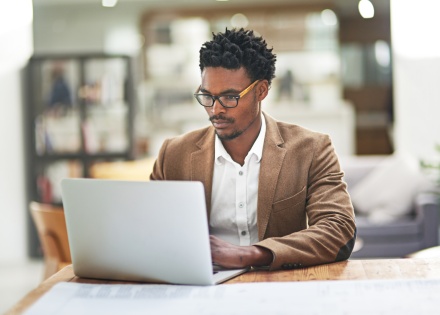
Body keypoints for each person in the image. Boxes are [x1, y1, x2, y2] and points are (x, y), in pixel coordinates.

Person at [150, 28, 356, 271]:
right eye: (207, 96)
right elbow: (150, 229)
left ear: (261, 91)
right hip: (200, 289)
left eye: (229, 97)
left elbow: (339, 230)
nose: (215, 110)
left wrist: (252, 254)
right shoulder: (174, 154)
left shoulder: (311, 149)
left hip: (279, 286)